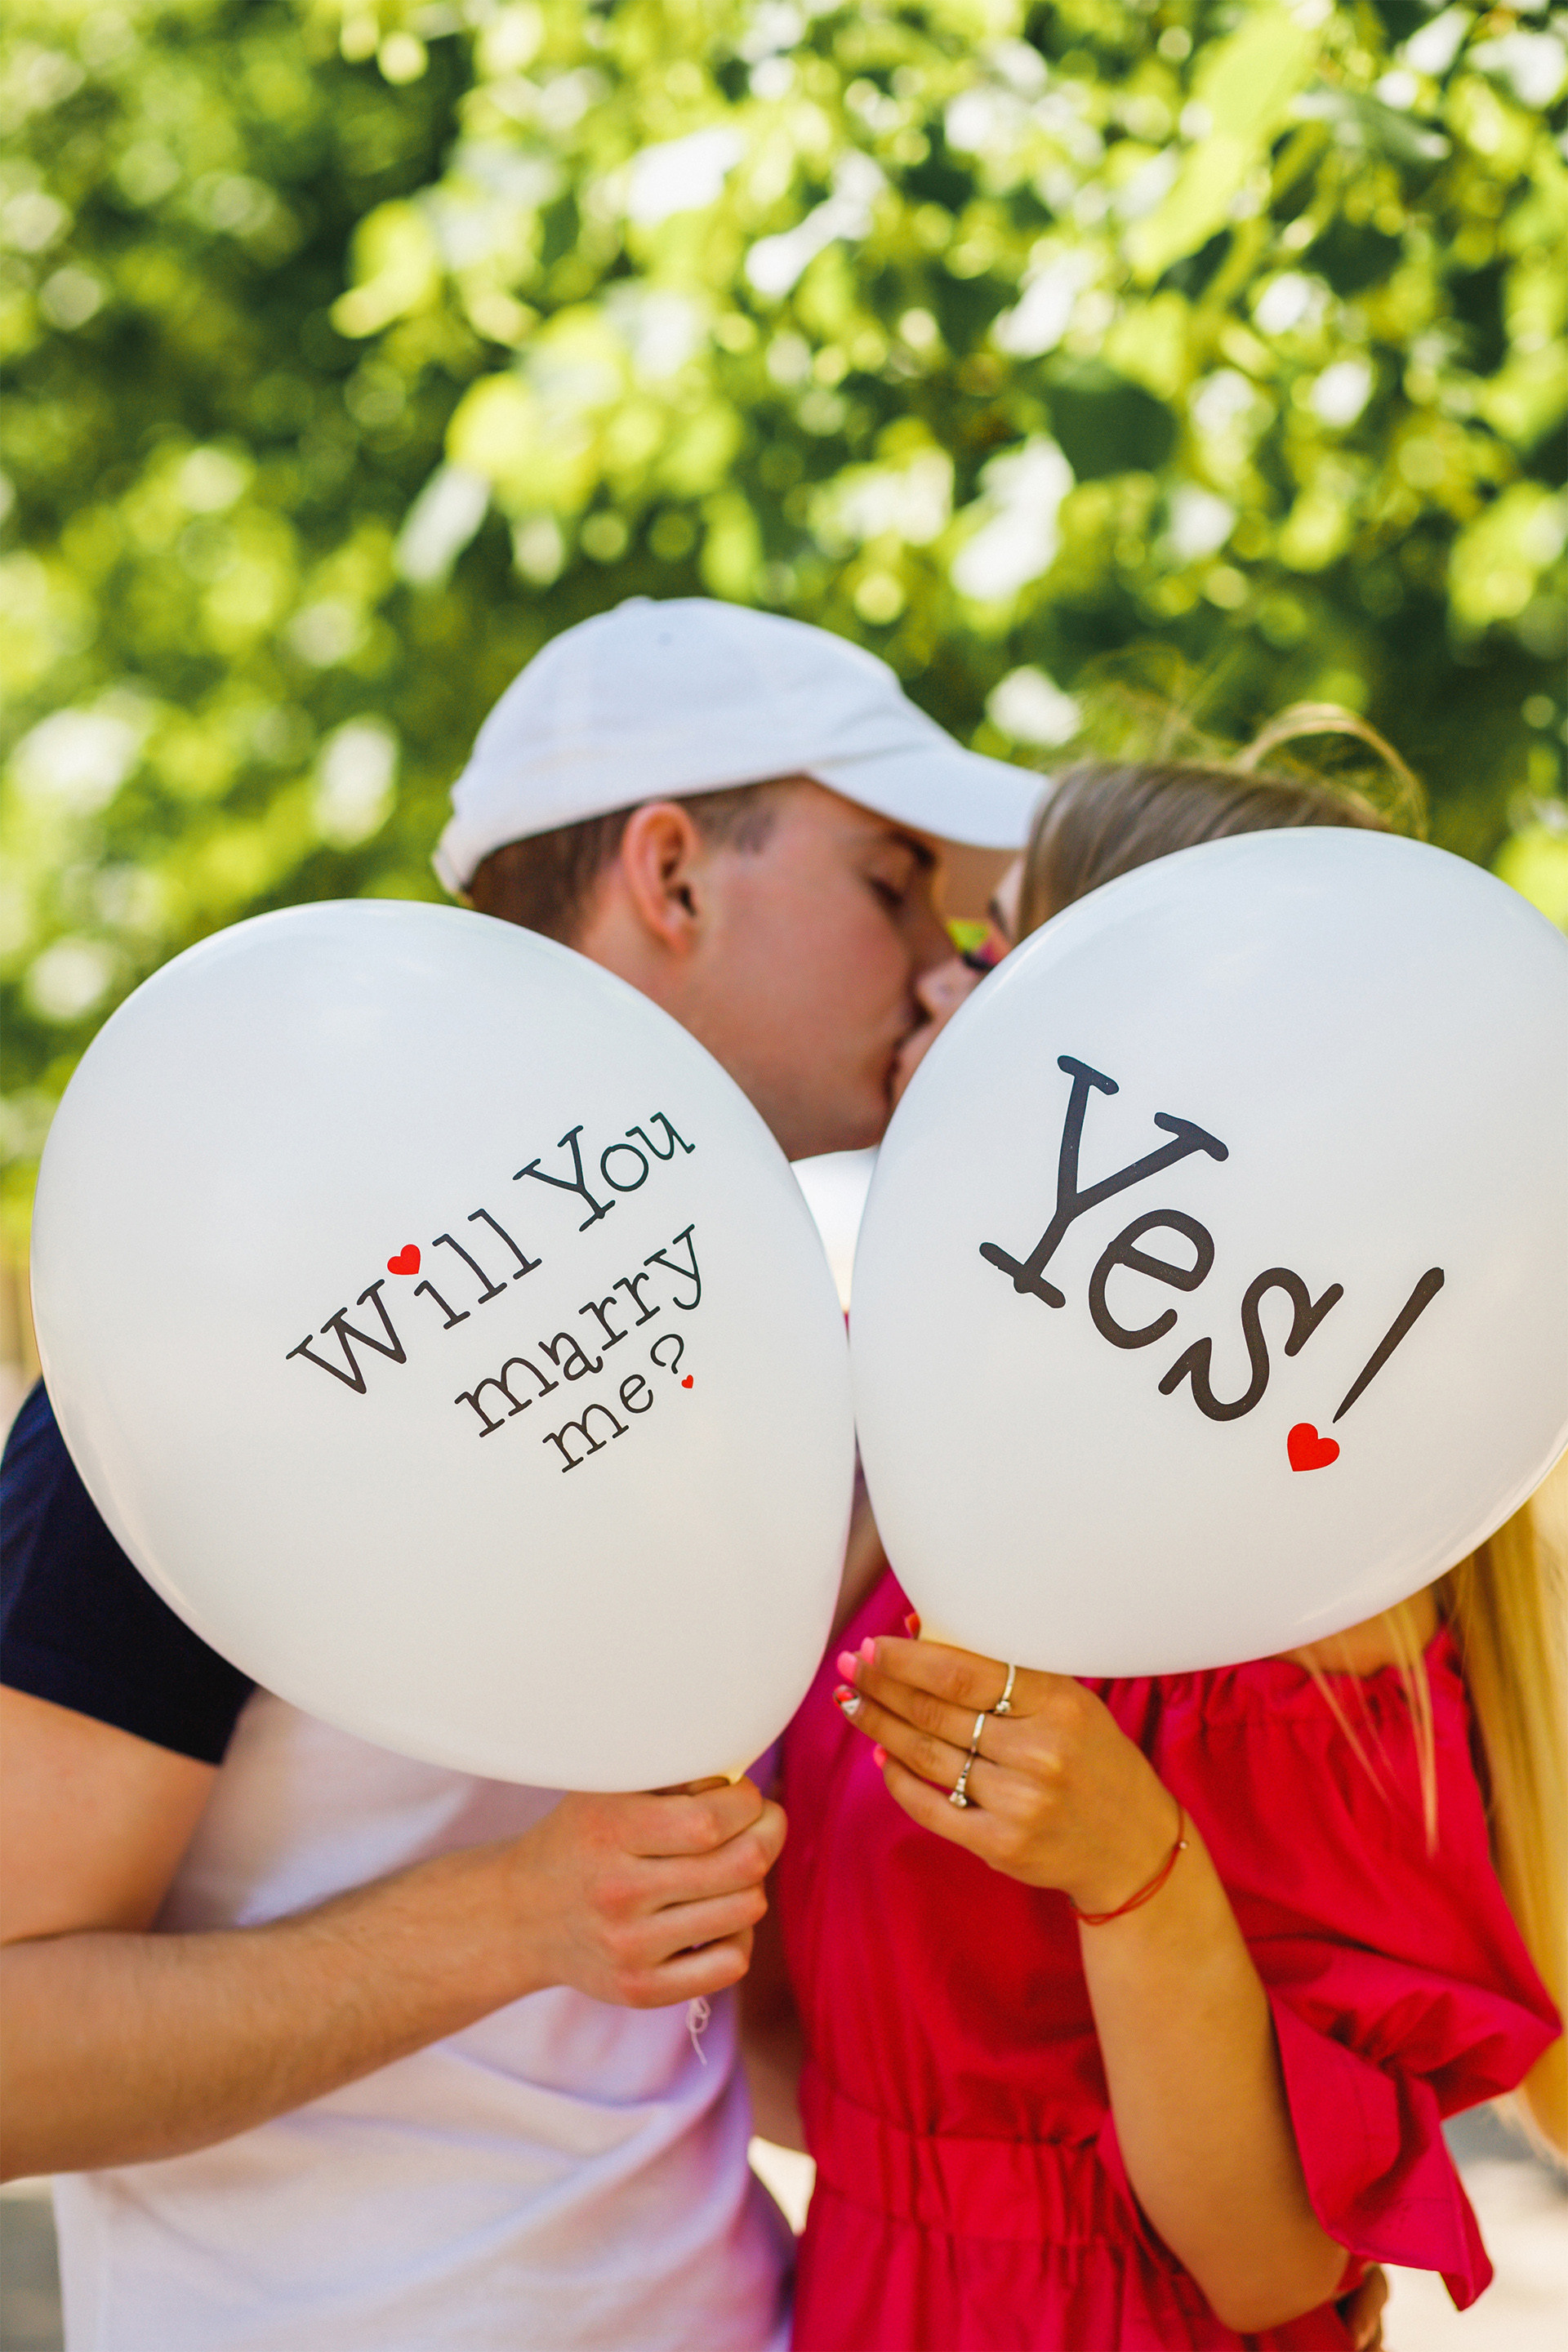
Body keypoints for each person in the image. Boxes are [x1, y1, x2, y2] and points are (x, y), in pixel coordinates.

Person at [0, 598, 1040, 2352]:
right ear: (672, 872)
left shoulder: (772, 1335)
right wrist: (509, 1921)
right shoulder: (227, 1328)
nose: (951, 971)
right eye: (893, 886)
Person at [756, 748, 1566, 2350]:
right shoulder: (926, 1479)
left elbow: (1274, 2272)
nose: (936, 983)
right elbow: (846, 2075)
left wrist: (1137, 1872)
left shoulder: (1296, 1651)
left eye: (996, 954)